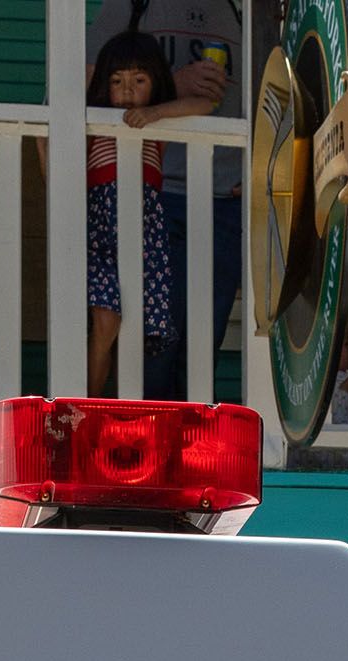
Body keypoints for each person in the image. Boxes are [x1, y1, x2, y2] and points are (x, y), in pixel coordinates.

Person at [89, 0, 246, 390]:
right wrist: (171, 84)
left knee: (202, 345)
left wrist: (262, 170)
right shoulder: (131, 6)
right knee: (152, 343)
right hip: (152, 196)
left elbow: (274, 94)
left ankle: (186, 446)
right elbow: (83, 86)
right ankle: (143, 443)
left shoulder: (242, 11)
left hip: (225, 198)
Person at [82, 31, 182, 395]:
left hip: (144, 237)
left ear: (155, 84)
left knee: (133, 333)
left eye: (139, 81)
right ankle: (86, 408)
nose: (126, 91)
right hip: (100, 233)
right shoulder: (92, 122)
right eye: (116, 81)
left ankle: (120, 417)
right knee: (106, 324)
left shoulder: (155, 126)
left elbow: (204, 104)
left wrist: (153, 112)